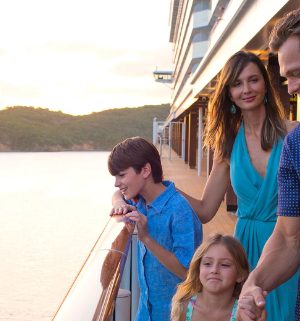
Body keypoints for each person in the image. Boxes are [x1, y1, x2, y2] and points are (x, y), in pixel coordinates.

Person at [180, 50, 299, 320]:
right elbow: (205, 209)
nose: (246, 89)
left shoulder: (294, 134)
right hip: (243, 250)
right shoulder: (228, 146)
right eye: (237, 83)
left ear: (266, 86)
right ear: (229, 93)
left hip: (289, 245)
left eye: (253, 80)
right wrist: (163, 188)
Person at [237, 8, 300, 321]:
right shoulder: (296, 145)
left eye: (298, 73)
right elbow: (290, 238)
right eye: (287, 77)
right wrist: (253, 284)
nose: (291, 88)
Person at [108, 136, 202, 321]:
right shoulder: (141, 200)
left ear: (145, 170)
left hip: (176, 314)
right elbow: (117, 193)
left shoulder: (179, 210)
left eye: (121, 175)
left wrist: (147, 239)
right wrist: (119, 202)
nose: (117, 182)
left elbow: (188, 273)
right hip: (145, 312)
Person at [171, 233, 264, 321]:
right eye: (207, 263)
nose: (214, 270)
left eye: (225, 265)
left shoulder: (245, 312)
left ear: (240, 275)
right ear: (198, 269)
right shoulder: (183, 307)